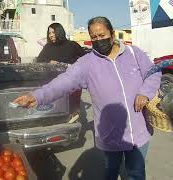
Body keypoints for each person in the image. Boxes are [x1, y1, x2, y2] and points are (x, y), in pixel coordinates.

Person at [14, 16, 161, 180]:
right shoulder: (86, 63)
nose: (99, 40)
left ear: (112, 34)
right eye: (94, 37)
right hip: (109, 135)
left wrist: (145, 92)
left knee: (136, 173)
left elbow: (153, 72)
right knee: (110, 172)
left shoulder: (134, 53)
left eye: (102, 35)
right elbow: (63, 82)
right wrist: (37, 96)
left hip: (139, 133)